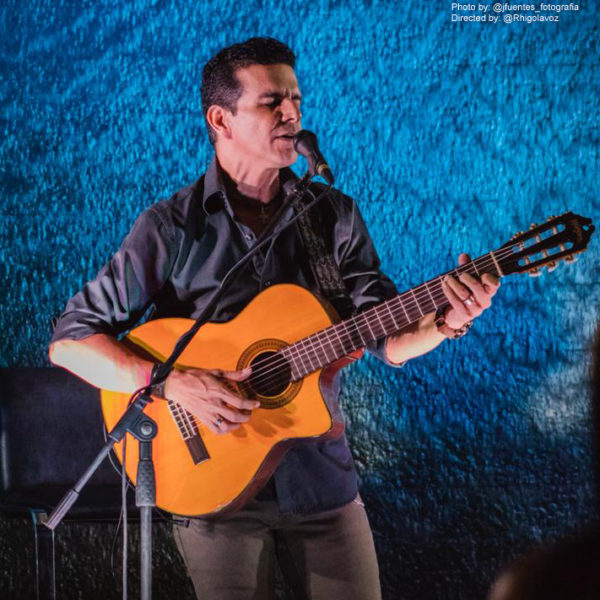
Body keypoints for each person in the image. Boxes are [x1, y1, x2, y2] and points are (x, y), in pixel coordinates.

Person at [49, 37, 500, 600]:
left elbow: (389, 338)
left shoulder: (333, 216)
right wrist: (169, 382)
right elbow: (70, 342)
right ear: (221, 118)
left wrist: (448, 321)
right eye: (271, 103)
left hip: (322, 482)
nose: (292, 114)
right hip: (211, 488)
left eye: (296, 100)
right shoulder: (171, 226)